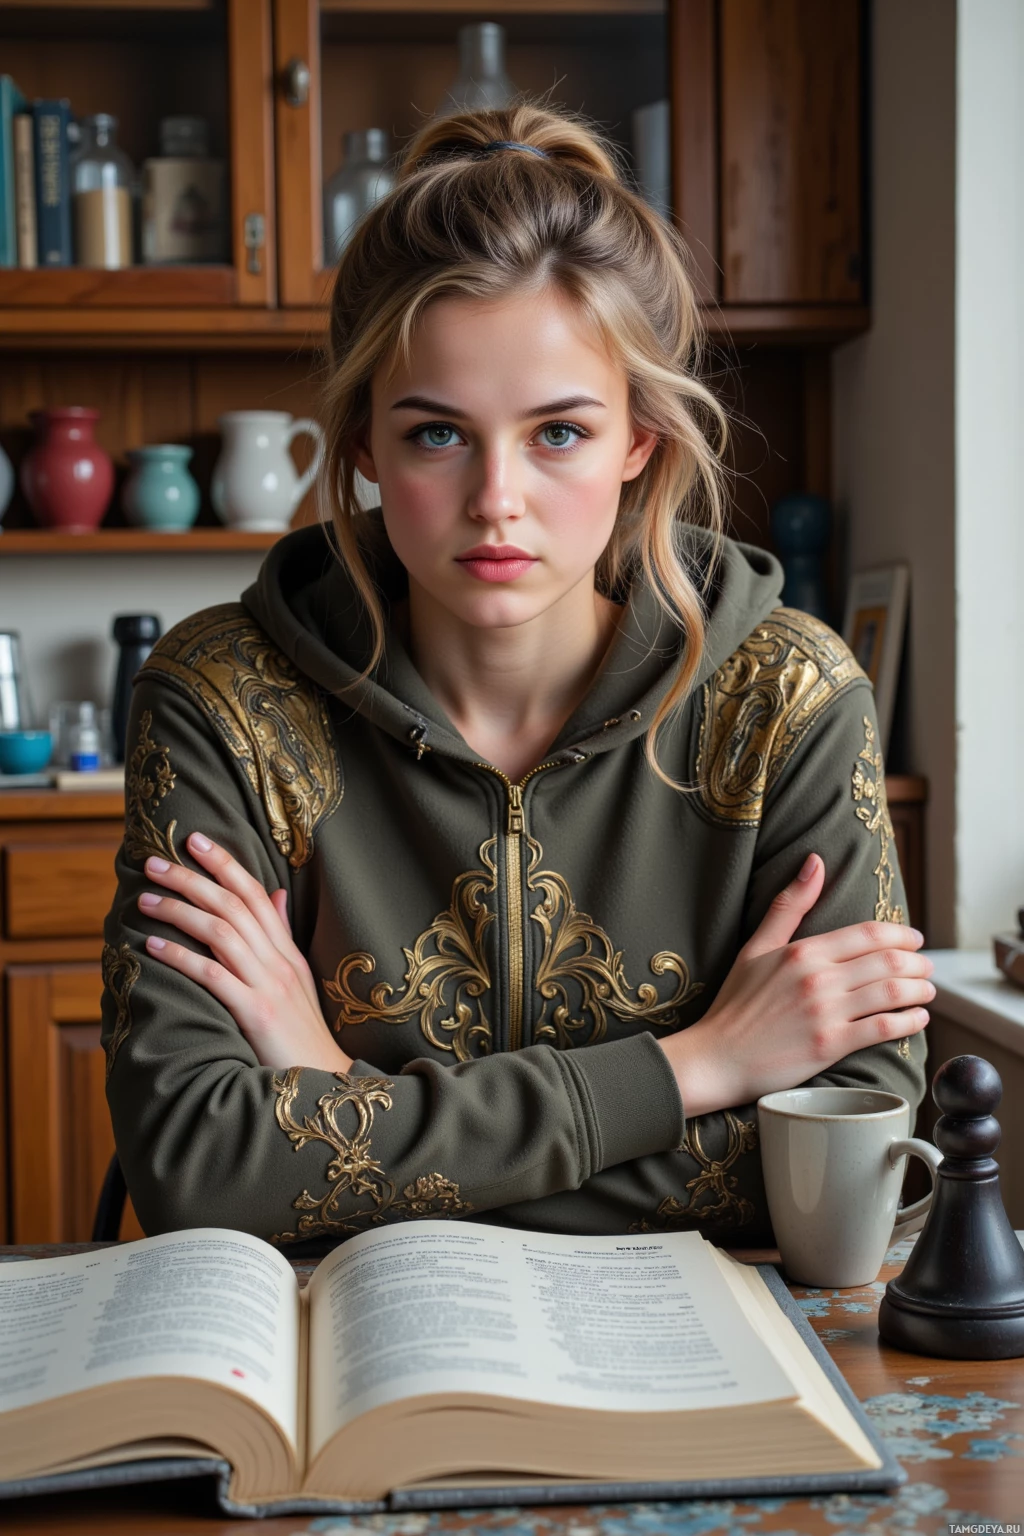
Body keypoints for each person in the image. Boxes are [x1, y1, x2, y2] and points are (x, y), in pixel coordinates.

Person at [101, 104, 931, 1248]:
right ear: (362, 447)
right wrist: (700, 1067)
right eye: (437, 434)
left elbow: (845, 1169)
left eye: (559, 434)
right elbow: (197, 1168)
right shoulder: (220, 699)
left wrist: (340, 1096)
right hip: (341, 1372)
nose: (498, 497)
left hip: (700, 1372)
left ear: (639, 438)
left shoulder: (787, 699)